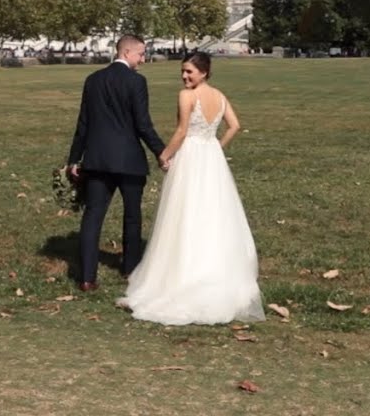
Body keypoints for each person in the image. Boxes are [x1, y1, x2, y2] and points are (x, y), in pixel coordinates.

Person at [118, 52, 264, 325]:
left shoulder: (187, 96)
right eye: (183, 72)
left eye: (190, 72)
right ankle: (211, 270)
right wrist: (216, 146)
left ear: (204, 72)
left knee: (184, 212)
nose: (185, 77)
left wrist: (165, 155)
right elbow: (234, 125)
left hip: (191, 157)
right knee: (211, 211)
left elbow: (182, 131)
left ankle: (182, 275)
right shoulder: (219, 96)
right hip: (211, 158)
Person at [65, 35, 166, 292]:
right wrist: (161, 151)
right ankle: (130, 269)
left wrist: (74, 159)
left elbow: (83, 123)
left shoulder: (93, 80)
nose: (144, 59)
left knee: (93, 215)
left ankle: (87, 277)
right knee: (132, 215)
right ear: (128, 52)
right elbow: (142, 124)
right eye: (141, 54)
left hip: (97, 159)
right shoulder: (137, 82)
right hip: (129, 159)